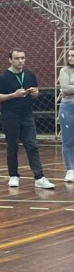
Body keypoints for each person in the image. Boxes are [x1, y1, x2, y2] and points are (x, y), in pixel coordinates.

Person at [0, 48, 55, 189]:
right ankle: (13, 175)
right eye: (17, 58)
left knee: (32, 145)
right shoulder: (2, 77)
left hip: (27, 115)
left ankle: (39, 177)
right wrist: (13, 95)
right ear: (10, 60)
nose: (20, 61)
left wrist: (35, 93)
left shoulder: (30, 75)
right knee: (13, 146)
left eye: (22, 58)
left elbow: (36, 93)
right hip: (10, 116)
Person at [60, 49, 74, 183]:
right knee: (68, 140)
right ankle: (70, 169)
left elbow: (70, 89)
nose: (70, 58)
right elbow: (65, 88)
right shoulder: (64, 71)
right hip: (68, 107)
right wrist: (68, 89)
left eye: (73, 55)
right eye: (69, 55)